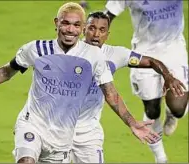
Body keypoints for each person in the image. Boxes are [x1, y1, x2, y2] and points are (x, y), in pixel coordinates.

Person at [0, 2, 159, 164]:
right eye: (65, 23)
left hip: (62, 136)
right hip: (33, 123)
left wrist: (132, 122)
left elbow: (111, 94)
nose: (70, 30)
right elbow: (7, 72)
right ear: (56, 24)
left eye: (76, 25)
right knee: (26, 160)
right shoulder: (36, 49)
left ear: (82, 28)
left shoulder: (94, 57)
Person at [70, 11, 186, 163]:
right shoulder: (67, 50)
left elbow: (150, 61)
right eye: (92, 28)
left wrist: (167, 76)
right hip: (56, 127)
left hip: (88, 132)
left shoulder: (115, 54)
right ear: (84, 29)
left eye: (102, 30)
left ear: (107, 34)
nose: (96, 34)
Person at [104, 0, 189, 163]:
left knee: (178, 108)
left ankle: (172, 113)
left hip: (174, 50)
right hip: (144, 52)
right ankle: (161, 158)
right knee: (152, 110)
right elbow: (108, 14)